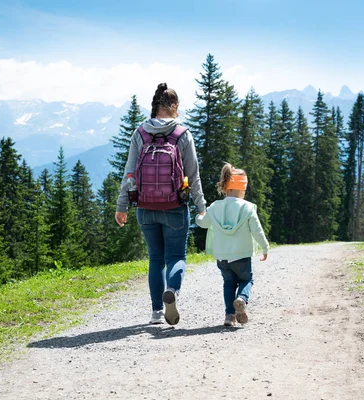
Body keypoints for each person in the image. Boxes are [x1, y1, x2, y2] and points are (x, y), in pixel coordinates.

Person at [115, 83, 206, 325]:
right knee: (175, 255)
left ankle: (156, 311)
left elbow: (129, 173)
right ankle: (172, 292)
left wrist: (121, 206)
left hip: (145, 207)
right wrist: (201, 205)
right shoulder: (182, 134)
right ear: (174, 106)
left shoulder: (140, 133)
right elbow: (193, 174)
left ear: (155, 106)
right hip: (175, 206)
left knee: (155, 258)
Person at [195, 163, 269, 327]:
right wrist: (264, 247)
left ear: (226, 186)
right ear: (242, 188)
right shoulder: (248, 208)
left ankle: (229, 316)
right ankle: (242, 299)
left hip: (222, 257)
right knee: (247, 280)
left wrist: (198, 217)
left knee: (228, 284)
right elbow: (257, 230)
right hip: (242, 255)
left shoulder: (214, 207)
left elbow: (204, 223)